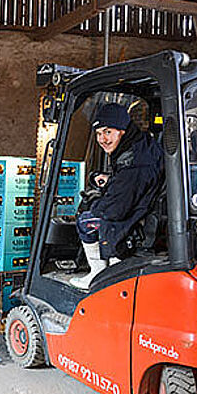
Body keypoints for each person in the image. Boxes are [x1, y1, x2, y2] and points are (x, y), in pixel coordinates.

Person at [70, 102, 164, 290]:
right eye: (98, 134)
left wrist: (95, 200)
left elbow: (115, 210)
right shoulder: (140, 146)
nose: (102, 139)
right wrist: (111, 180)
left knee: (86, 220)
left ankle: (97, 274)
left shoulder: (134, 163)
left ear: (122, 130)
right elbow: (128, 184)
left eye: (108, 132)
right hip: (141, 208)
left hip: (133, 218)